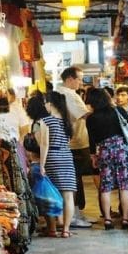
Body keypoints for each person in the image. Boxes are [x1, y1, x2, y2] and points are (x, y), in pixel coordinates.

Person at [85, 88, 128, 230]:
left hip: (104, 151)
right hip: (121, 149)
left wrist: (93, 156)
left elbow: (92, 140)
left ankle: (108, 220)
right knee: (124, 186)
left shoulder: (91, 118)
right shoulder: (118, 111)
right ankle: (125, 219)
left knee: (106, 186)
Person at [26, 92, 77, 238]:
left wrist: (41, 165)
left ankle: (52, 228)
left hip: (52, 158)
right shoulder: (67, 122)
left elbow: (44, 144)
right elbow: (67, 142)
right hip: (66, 157)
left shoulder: (46, 121)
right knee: (68, 196)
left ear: (50, 104)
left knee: (48, 194)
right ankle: (66, 230)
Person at [56, 66, 94, 228]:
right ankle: (73, 216)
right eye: (79, 79)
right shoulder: (69, 95)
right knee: (74, 181)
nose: (80, 82)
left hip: (69, 142)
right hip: (75, 144)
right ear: (70, 79)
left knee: (73, 180)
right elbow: (84, 114)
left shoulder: (58, 93)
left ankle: (75, 213)